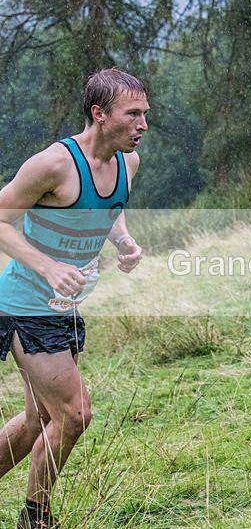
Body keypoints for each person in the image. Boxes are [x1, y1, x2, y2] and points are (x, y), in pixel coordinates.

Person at [0, 68, 147, 527]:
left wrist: (122, 241)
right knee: (73, 414)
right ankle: (35, 519)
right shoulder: (53, 164)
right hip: (25, 305)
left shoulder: (128, 162)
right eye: (133, 114)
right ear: (99, 114)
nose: (143, 124)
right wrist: (47, 266)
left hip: (65, 309)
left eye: (146, 114)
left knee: (35, 422)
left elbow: (109, 211)